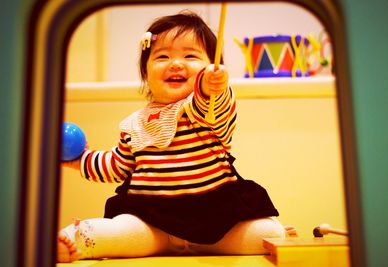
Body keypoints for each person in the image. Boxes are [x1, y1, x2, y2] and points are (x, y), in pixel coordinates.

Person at [58, 10, 293, 263]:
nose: (176, 63)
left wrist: (211, 87)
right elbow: (117, 166)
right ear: (146, 73)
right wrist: (81, 160)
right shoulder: (133, 125)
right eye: (162, 56)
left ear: (211, 68)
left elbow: (215, 103)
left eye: (190, 55)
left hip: (214, 220)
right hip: (150, 223)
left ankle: (245, 239)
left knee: (269, 231)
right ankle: (68, 241)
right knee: (106, 230)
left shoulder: (205, 109)